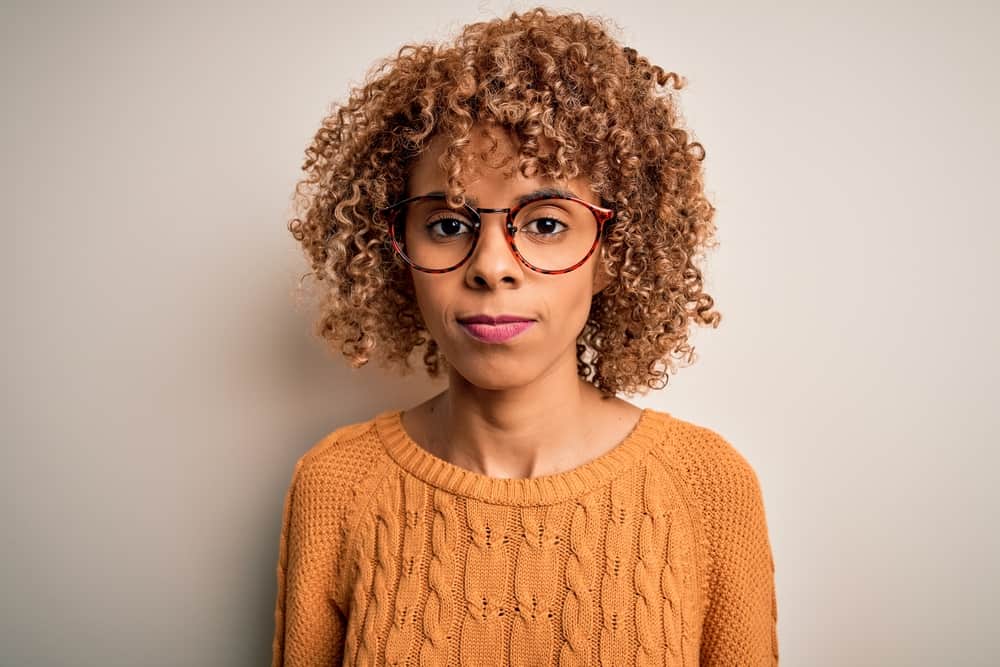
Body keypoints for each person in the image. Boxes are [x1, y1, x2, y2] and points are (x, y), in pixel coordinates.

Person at [272, 7, 778, 666]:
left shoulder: (709, 486)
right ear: (396, 250)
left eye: (543, 223)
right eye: (449, 225)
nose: (490, 265)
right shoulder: (334, 485)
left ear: (611, 252)